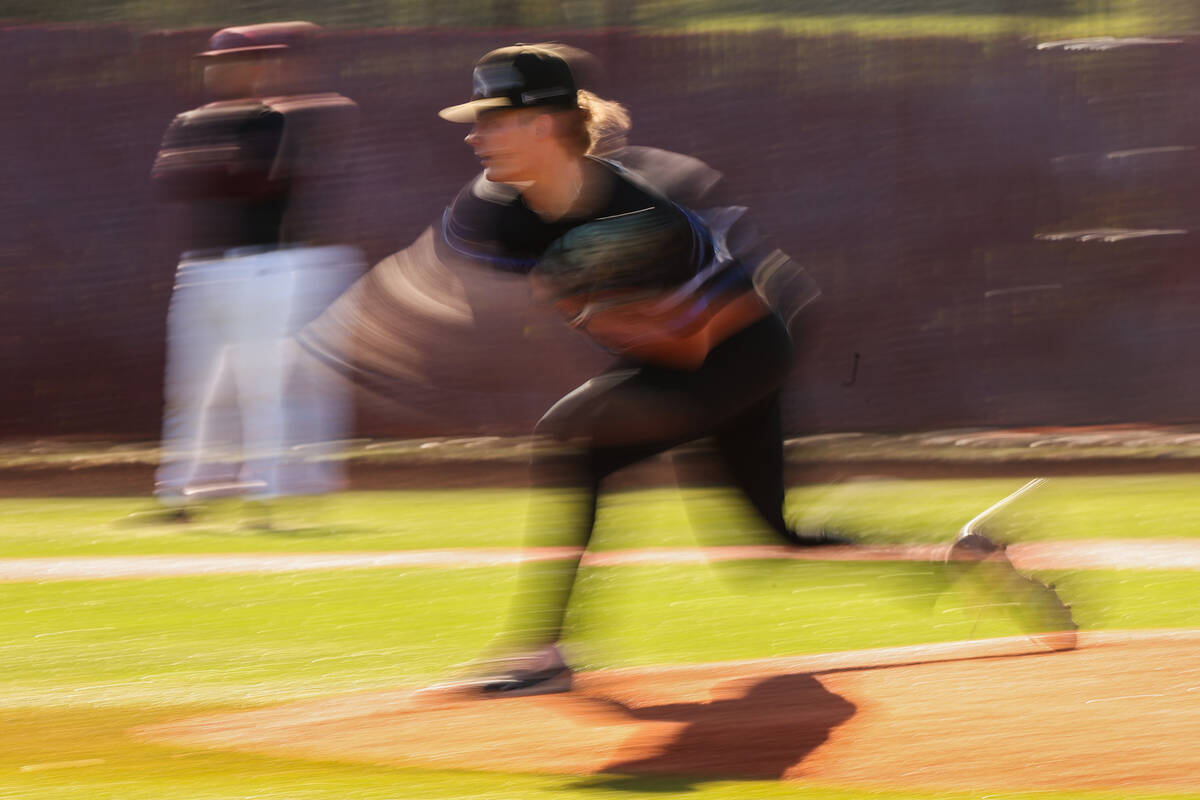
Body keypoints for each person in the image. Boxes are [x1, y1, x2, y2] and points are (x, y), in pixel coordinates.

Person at [433, 43, 846, 697]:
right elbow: (445, 287)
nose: (475, 136)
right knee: (775, 540)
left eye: (491, 119)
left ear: (541, 125)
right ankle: (958, 555)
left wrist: (597, 308)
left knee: (571, 440)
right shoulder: (495, 208)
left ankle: (543, 654)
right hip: (675, 359)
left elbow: (687, 346)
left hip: (738, 354)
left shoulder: (642, 216)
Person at [146, 22, 364, 523]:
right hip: (199, 270)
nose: (229, 71)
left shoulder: (271, 121)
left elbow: (254, 184)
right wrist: (218, 167)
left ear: (259, 66)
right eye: (220, 64)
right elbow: (169, 181)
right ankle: (176, 496)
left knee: (261, 386)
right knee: (188, 388)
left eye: (242, 62)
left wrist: (209, 168)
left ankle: (264, 495)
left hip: (263, 268)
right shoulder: (190, 120)